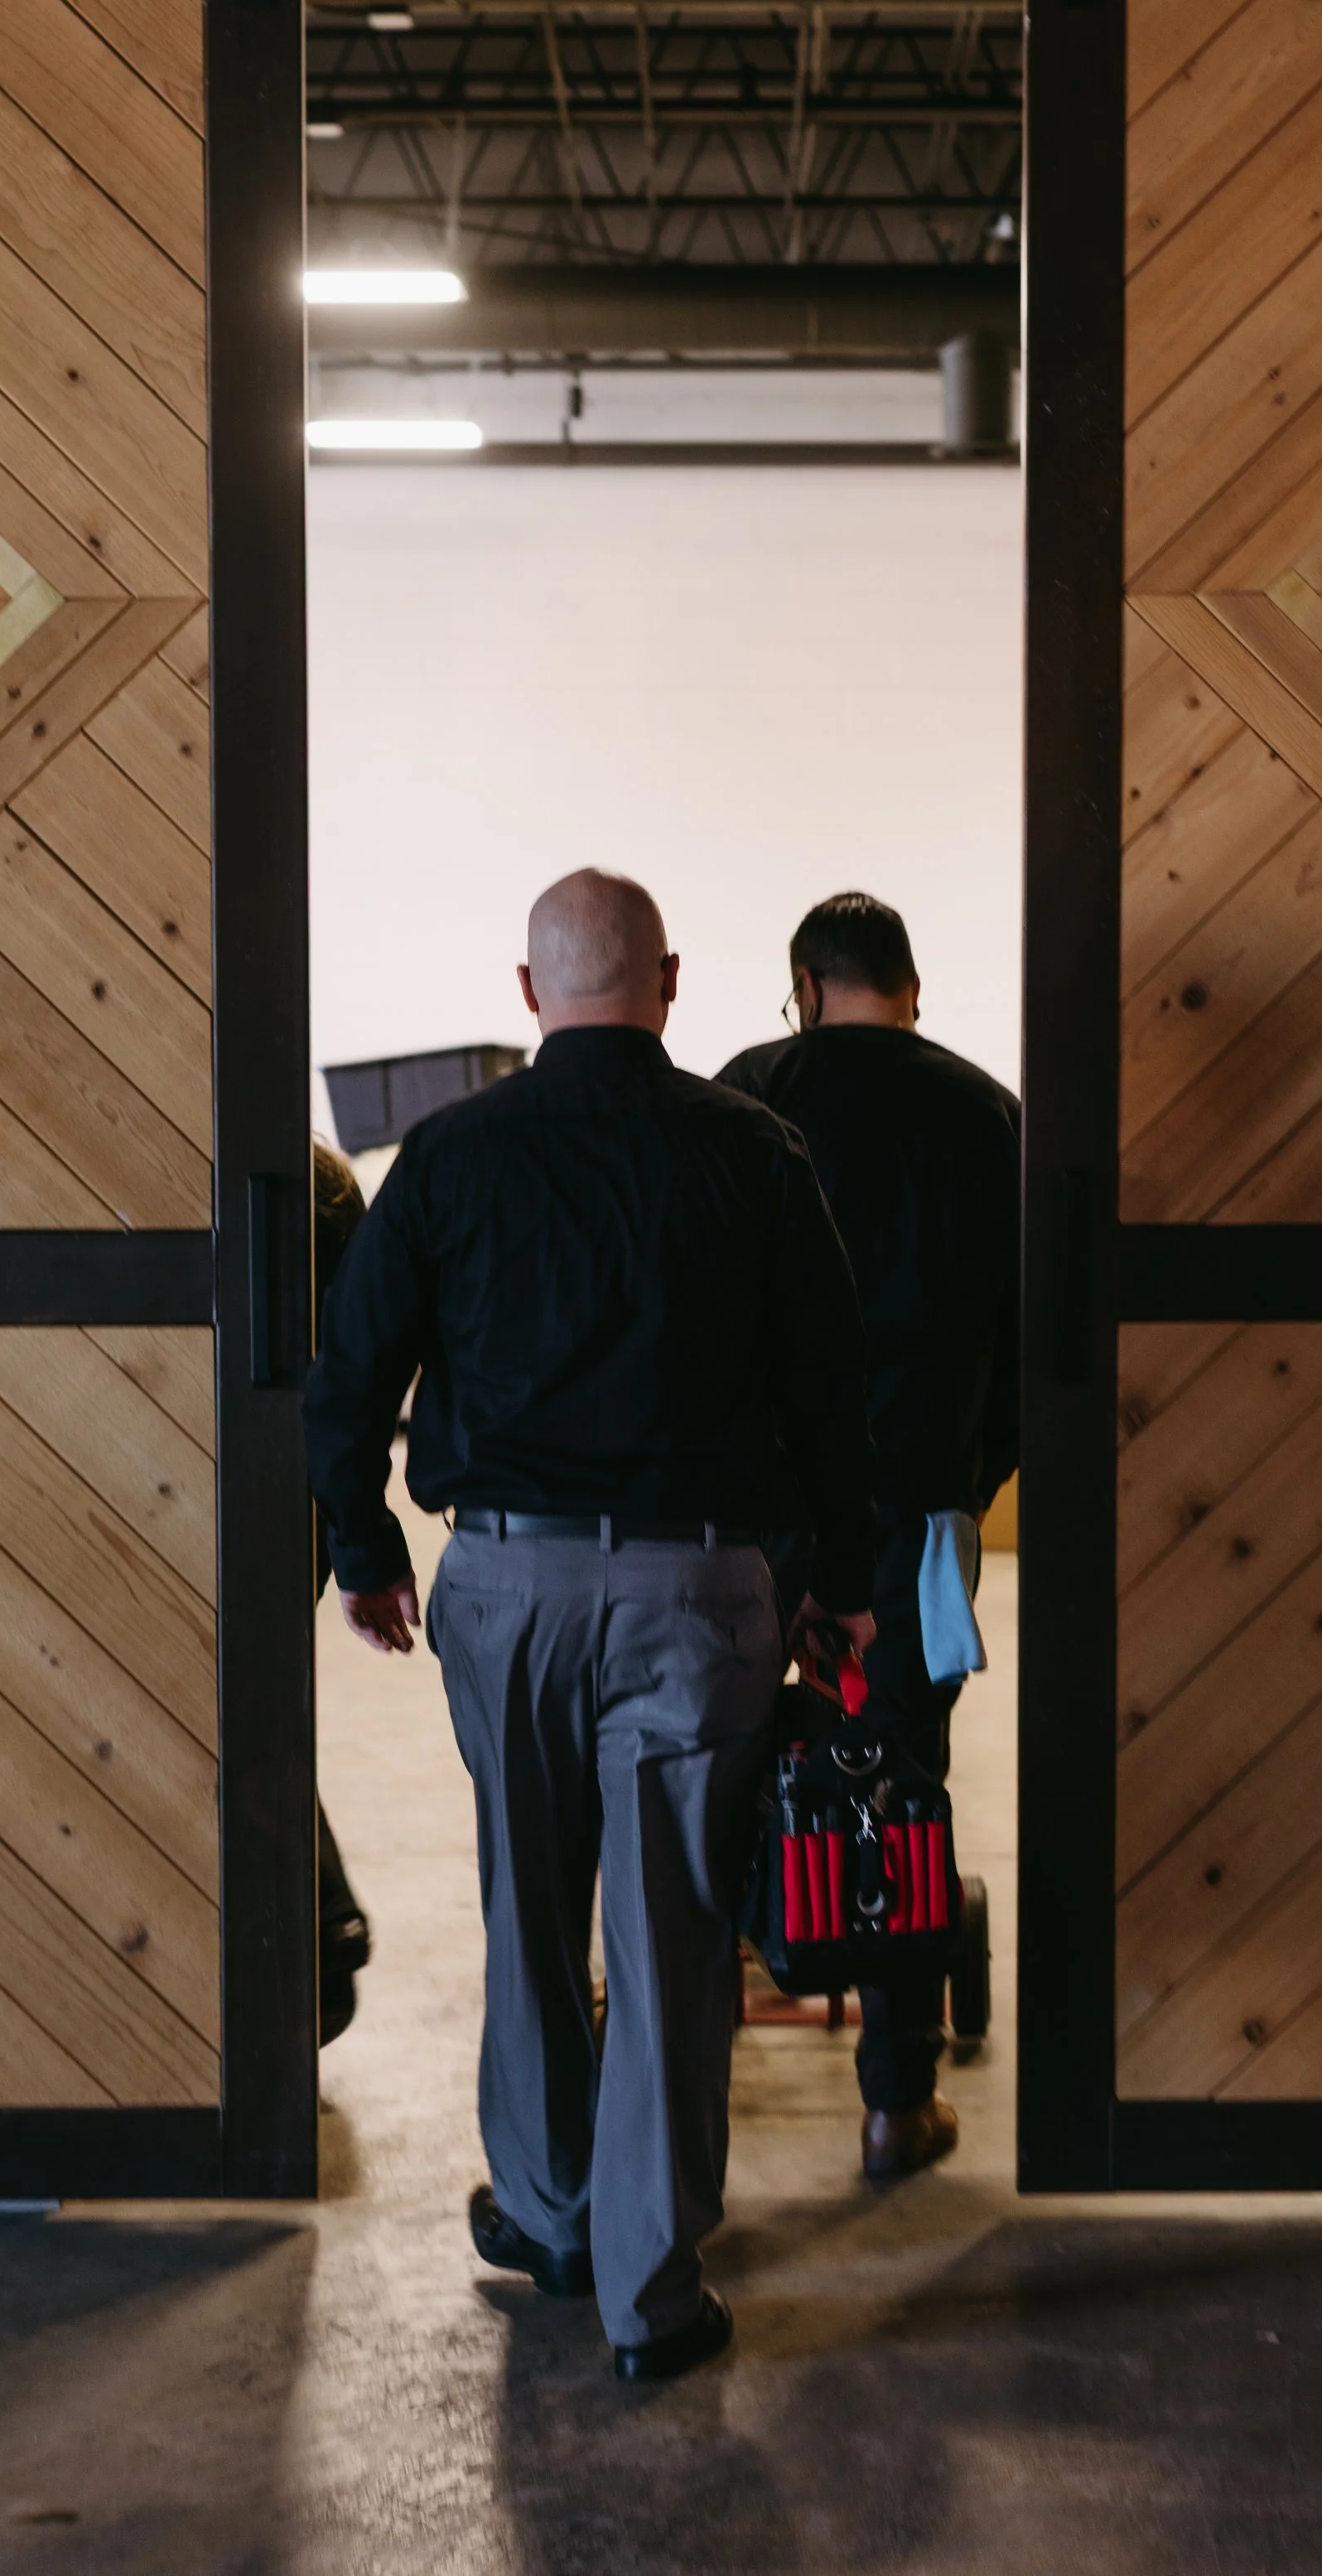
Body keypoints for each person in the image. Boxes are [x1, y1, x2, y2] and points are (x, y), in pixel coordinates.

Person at [303, 868, 874, 2382]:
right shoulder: (753, 1152)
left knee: (530, 1910)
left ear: (528, 990)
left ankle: (553, 2214)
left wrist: (363, 1546)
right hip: (701, 1595)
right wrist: (844, 1582)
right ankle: (650, 2291)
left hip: (510, 1586)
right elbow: (834, 1390)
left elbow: (348, 1372)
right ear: (669, 982)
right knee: (673, 1938)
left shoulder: (450, 1154)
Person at [721, 891, 1020, 2181]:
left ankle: (698, 2064)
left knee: (720, 1762)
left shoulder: (747, 1096)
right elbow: (1026, 1336)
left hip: (762, 1510)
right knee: (899, 1784)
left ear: (805, 984)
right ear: (912, 987)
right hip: (917, 1510)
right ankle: (897, 2103)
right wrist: (968, 1475)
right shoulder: (987, 1113)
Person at [311, 1139, 374, 2047]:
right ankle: (325, 1934)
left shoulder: (314, 1184)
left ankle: (324, 1934)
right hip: (300, 1486)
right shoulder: (323, 1180)